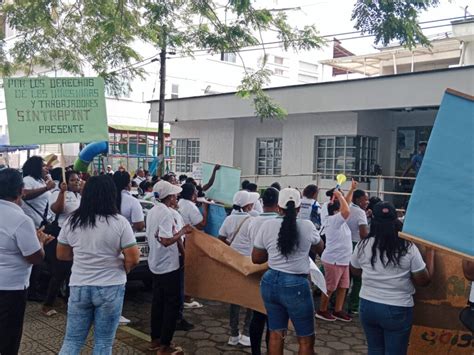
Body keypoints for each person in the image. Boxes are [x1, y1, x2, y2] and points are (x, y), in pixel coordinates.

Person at [57, 175, 140, 354]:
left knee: (72, 341)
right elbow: (133, 258)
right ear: (111, 195)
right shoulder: (119, 222)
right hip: (111, 286)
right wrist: (123, 269)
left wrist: (84, 258)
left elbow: (62, 255)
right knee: (103, 343)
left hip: (79, 285)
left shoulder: (72, 221)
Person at [350, 201, 434, 355]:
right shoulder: (407, 248)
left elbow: (354, 270)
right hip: (397, 307)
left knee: (375, 349)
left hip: (367, 305)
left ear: (373, 221)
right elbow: (424, 281)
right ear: (396, 221)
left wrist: (373, 276)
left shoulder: (363, 245)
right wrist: (430, 251)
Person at [252, 188, 324, 355]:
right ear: (299, 208)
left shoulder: (267, 225)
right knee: (305, 338)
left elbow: (256, 258)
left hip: (269, 282)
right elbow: (321, 248)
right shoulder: (307, 226)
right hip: (296, 285)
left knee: (276, 333)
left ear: (278, 207)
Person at [0, 169, 53, 355]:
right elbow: (35, 257)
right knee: (8, 337)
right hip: (11, 289)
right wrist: (41, 241)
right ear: (21, 190)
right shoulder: (21, 220)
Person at [230, 187, 280, 355]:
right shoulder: (281, 222)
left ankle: (255, 350)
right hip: (274, 272)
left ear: (262, 202)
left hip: (255, 270)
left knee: (257, 314)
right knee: (272, 318)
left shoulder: (253, 221)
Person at [146, 180, 192, 354]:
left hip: (156, 264)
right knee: (172, 305)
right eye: (174, 195)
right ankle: (165, 345)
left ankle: (155, 339)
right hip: (168, 265)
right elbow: (166, 240)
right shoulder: (166, 213)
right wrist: (182, 232)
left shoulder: (153, 211)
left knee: (158, 303)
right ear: (169, 197)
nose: (176, 197)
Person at [219, 190, 260, 347]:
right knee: (250, 299)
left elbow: (221, 239)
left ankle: (233, 334)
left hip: (233, 264)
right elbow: (257, 243)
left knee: (234, 300)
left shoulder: (229, 219)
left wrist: (232, 249)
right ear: (248, 205)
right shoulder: (252, 220)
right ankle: (247, 334)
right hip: (249, 264)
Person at [42, 170, 82, 317]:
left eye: (77, 179)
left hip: (75, 237)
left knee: (72, 270)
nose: (76, 182)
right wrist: (62, 193)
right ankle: (48, 304)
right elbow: (57, 209)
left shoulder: (79, 196)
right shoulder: (57, 193)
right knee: (59, 271)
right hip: (60, 236)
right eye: (72, 180)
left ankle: (69, 301)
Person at [316, 184, 355, 322]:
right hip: (334, 260)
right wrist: (338, 195)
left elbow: (347, 204)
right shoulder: (333, 220)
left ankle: (338, 310)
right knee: (330, 287)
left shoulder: (338, 219)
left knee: (343, 286)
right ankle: (322, 310)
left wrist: (351, 190)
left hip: (343, 259)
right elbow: (346, 211)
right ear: (336, 210)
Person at [21, 156, 56, 301]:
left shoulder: (41, 180)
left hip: (43, 224)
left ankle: (36, 288)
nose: (46, 168)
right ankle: (32, 291)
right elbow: (25, 195)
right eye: (43, 166)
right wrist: (46, 188)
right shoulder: (28, 180)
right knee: (37, 259)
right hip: (33, 225)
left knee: (42, 259)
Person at [346, 189, 370, 314]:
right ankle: (354, 305)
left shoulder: (347, 208)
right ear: (357, 199)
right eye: (365, 199)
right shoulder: (360, 212)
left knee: (345, 276)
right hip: (356, 245)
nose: (367, 201)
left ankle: (336, 303)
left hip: (344, 244)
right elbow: (363, 234)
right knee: (358, 278)